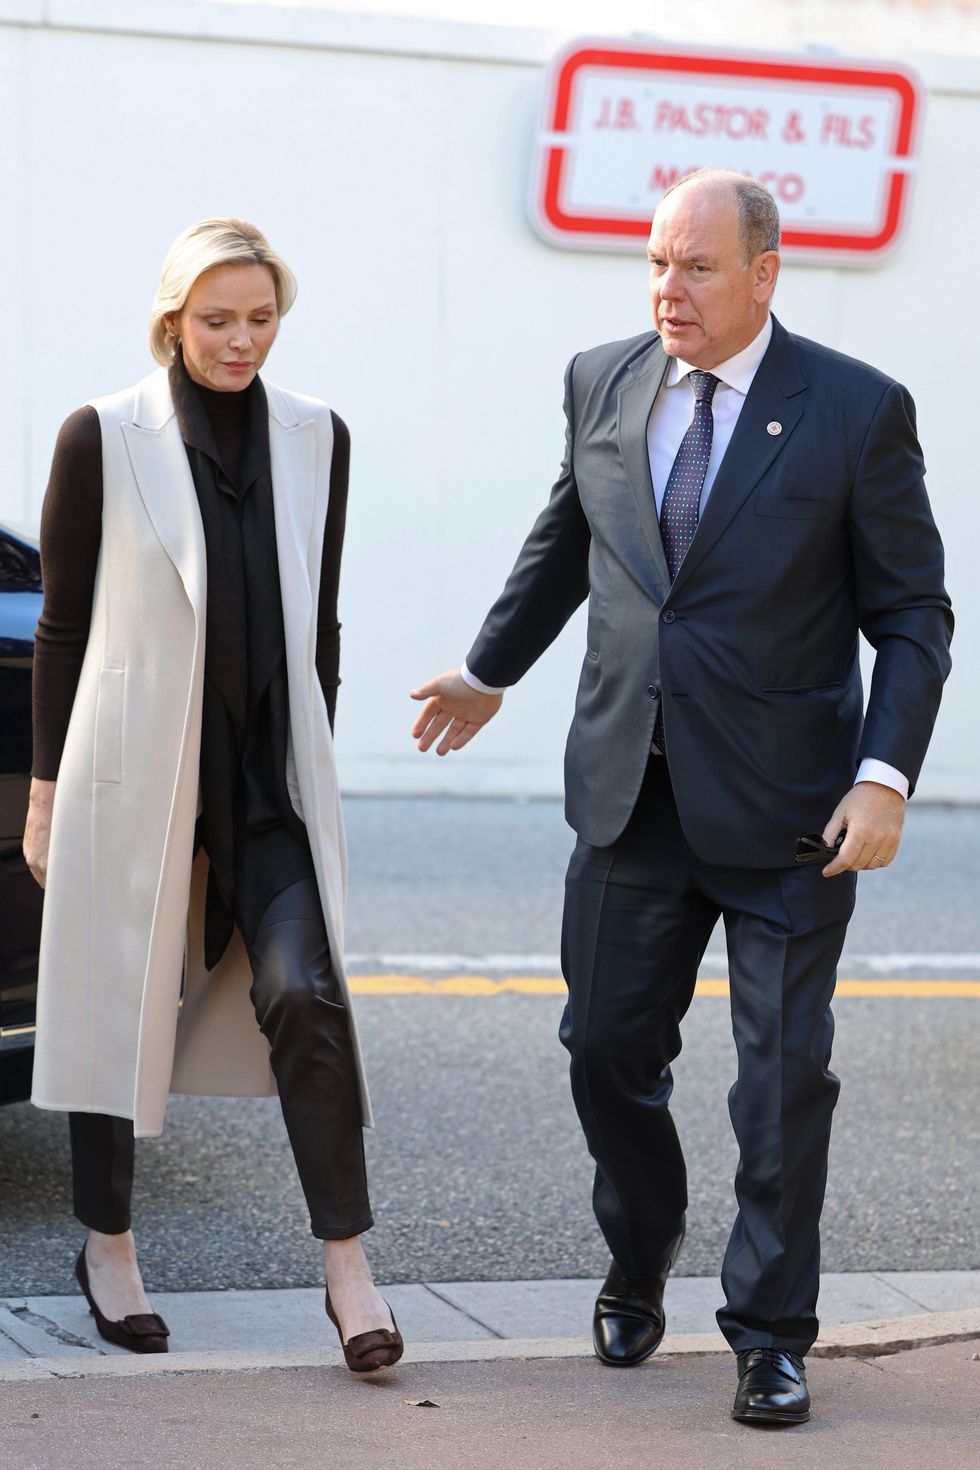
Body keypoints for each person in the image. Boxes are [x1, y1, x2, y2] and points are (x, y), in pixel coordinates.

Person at [411, 170, 952, 1425]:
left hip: (790, 813)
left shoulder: (854, 411)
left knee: (777, 1088)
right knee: (601, 1052)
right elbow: (567, 538)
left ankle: (768, 1332)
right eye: (656, 263)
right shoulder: (601, 377)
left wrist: (883, 776)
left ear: (763, 273)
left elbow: (912, 616)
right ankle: (638, 1250)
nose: (668, 288)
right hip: (628, 793)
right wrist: (491, 669)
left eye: (695, 267)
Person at [23, 218, 403, 1373]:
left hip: (262, 790)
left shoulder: (318, 437)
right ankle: (109, 1250)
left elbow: (319, 621)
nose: (241, 340)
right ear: (172, 322)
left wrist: (314, 767)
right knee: (114, 1010)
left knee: (307, 997)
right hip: (135, 778)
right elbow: (61, 623)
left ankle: (349, 1273)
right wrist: (47, 791)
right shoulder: (102, 435)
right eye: (216, 320)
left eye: (259, 317)